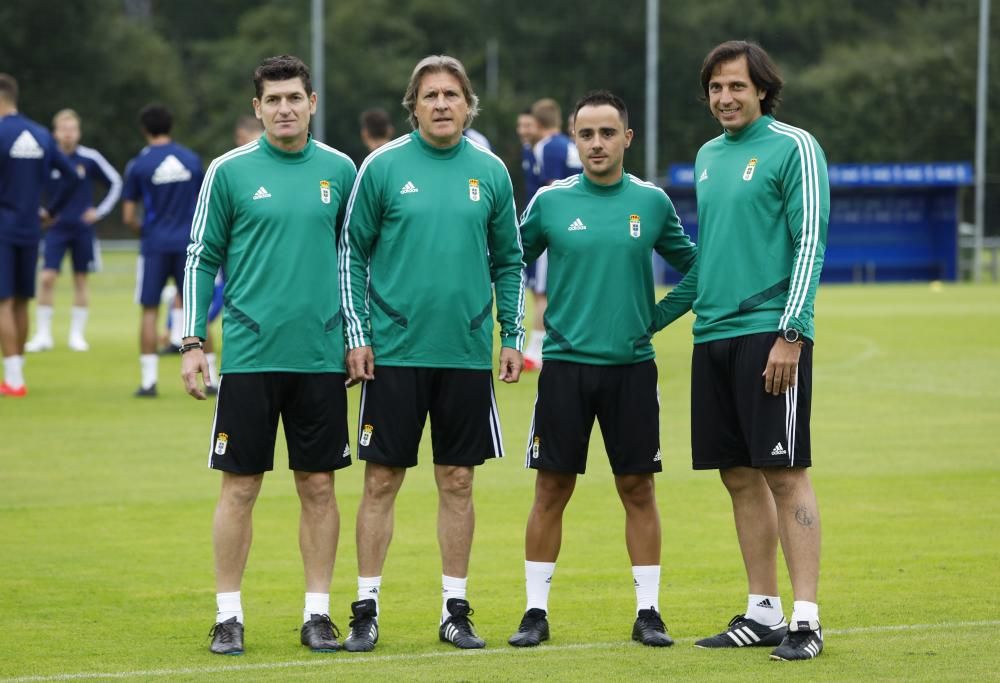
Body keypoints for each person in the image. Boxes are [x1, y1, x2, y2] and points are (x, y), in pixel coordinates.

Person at [338, 54, 525, 652]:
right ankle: (365, 607)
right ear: (412, 106)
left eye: (452, 94)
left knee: (459, 479)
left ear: (470, 104)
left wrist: (512, 334)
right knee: (381, 480)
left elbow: (510, 261)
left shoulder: (491, 171)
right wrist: (358, 333)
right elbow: (351, 254)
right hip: (393, 353)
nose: (442, 104)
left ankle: (455, 609)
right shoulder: (382, 167)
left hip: (465, 353)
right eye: (429, 96)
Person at [658, 41, 829, 661]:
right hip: (714, 339)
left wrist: (792, 333)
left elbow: (810, 241)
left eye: (736, 86)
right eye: (714, 88)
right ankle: (763, 611)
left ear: (762, 89)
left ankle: (805, 618)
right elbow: (708, 265)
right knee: (737, 476)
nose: (725, 98)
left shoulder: (794, 147)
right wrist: (645, 322)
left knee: (785, 473)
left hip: (769, 334)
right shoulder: (706, 157)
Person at [181, 54, 357, 656]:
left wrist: (358, 336)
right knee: (240, 488)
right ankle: (228, 615)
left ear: (312, 102)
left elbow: (356, 262)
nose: (284, 108)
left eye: (294, 98)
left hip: (320, 358)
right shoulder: (227, 172)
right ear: (257, 108)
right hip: (251, 358)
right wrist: (192, 342)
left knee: (319, 488)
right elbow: (201, 256)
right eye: (273, 100)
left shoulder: (341, 169)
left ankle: (317, 614)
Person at [507, 91, 696, 649]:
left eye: (607, 133)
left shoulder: (652, 203)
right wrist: (513, 329)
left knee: (637, 488)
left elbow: (700, 266)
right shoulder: (550, 202)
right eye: (586, 134)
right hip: (564, 369)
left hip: (632, 370)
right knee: (551, 488)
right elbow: (508, 260)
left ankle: (649, 613)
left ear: (626, 139)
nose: (596, 143)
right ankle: (535, 613)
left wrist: (655, 318)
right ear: (572, 137)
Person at [0, 74, 80, 397]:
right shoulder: (40, 135)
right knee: (21, 301)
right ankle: (17, 376)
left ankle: (14, 379)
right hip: (31, 229)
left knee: (2, 302)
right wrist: (51, 210)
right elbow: (72, 176)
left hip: (3, 228)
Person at [122, 104, 203, 397]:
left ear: (144, 129)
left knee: (149, 310)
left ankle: (148, 382)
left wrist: (144, 231)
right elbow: (204, 203)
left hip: (154, 245)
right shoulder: (191, 160)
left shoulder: (139, 165)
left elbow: (129, 215)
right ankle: (212, 378)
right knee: (198, 309)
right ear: (171, 126)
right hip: (188, 245)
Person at [26, 109, 122, 353]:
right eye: (63, 129)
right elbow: (26, 186)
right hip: (55, 229)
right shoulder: (46, 157)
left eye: (72, 129)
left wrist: (99, 212)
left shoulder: (89, 158)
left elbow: (115, 182)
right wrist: (41, 212)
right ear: (55, 132)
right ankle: (43, 335)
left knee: (81, 279)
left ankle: (77, 336)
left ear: (78, 132)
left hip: (82, 229)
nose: (68, 134)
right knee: (47, 278)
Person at [522, 97, 582, 371]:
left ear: (538, 122)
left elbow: (553, 188)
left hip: (555, 228)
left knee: (542, 293)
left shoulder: (547, 148)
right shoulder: (570, 145)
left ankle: (535, 351)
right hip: (578, 224)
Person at [515, 108, 541, 209]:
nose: (521, 131)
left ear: (540, 126)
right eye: (519, 126)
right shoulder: (526, 150)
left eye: (527, 126)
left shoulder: (550, 151)